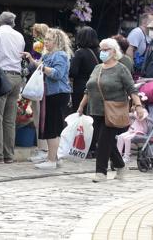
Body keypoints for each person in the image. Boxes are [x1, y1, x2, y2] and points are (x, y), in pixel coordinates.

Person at [77, 38, 147, 182]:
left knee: (103, 141)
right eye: (101, 50)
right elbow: (88, 89)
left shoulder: (121, 69)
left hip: (114, 111)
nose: (102, 52)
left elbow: (131, 89)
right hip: (95, 110)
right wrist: (81, 106)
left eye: (105, 49)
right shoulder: (98, 68)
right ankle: (120, 165)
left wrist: (138, 106)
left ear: (114, 51)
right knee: (103, 141)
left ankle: (101, 172)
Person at [23, 28, 72, 169]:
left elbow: (57, 74)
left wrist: (42, 67)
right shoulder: (47, 55)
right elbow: (39, 68)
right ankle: (54, 157)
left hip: (58, 94)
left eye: (49, 39)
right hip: (49, 94)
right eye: (46, 39)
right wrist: (31, 59)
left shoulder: (60, 55)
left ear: (57, 41)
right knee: (52, 125)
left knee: (53, 126)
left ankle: (52, 160)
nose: (46, 42)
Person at [0, 11, 24, 164]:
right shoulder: (19, 36)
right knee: (9, 120)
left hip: (1, 76)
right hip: (16, 77)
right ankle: (9, 155)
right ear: (13, 23)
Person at [69, 26, 100, 158]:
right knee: (93, 118)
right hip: (97, 88)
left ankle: (82, 148)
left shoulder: (80, 53)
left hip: (81, 88)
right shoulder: (99, 52)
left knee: (81, 118)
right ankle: (93, 147)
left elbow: (73, 72)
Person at [28, 23, 49, 163]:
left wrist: (29, 59)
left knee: (39, 118)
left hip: (39, 85)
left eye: (34, 32)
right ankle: (44, 148)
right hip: (45, 86)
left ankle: (42, 149)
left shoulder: (38, 45)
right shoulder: (48, 47)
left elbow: (35, 64)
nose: (32, 34)